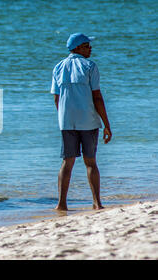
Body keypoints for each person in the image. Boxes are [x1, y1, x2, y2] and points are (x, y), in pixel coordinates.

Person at [51, 33, 112, 211]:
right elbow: (97, 97)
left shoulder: (58, 67)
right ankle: (97, 203)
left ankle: (61, 204)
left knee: (67, 162)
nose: (90, 48)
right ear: (77, 48)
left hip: (66, 122)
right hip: (88, 120)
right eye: (86, 45)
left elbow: (57, 98)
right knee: (91, 162)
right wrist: (107, 124)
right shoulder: (90, 66)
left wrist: (63, 117)